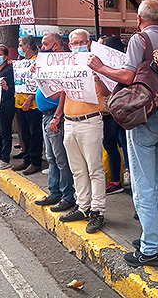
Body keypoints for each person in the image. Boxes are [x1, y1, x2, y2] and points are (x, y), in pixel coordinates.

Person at [88, 0, 158, 267]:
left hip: (143, 117)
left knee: (143, 184)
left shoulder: (139, 40)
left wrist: (100, 67)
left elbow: (129, 77)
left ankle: (151, 247)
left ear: (139, 20)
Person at [56, 29, 110, 234]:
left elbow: (108, 91)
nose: (78, 45)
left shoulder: (97, 63)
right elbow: (58, 90)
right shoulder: (66, 64)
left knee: (94, 169)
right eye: (74, 42)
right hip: (70, 122)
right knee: (77, 169)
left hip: (90, 122)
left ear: (89, 43)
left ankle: (98, 210)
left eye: (82, 42)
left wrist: (98, 76)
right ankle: (83, 205)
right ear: (69, 45)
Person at [33, 33, 76, 212]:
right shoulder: (46, 62)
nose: (42, 47)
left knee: (61, 159)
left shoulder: (64, 64)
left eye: (45, 44)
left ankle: (67, 196)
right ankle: (54, 192)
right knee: (51, 157)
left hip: (55, 117)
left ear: (57, 46)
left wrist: (58, 116)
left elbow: (64, 91)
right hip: (46, 116)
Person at [99, 36, 127, 195]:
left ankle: (116, 180)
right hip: (108, 111)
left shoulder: (115, 67)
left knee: (111, 145)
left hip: (111, 112)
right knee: (112, 145)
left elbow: (108, 91)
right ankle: (116, 178)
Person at [12, 35, 43, 175]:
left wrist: (29, 99)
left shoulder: (37, 61)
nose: (19, 47)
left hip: (33, 104)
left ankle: (36, 162)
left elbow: (38, 83)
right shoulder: (23, 62)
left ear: (27, 46)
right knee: (25, 134)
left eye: (20, 45)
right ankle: (27, 159)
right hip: (20, 102)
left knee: (34, 134)